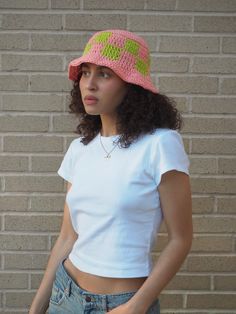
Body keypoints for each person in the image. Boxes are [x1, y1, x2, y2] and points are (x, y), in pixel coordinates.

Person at [29, 29, 192, 314]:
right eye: (85, 72)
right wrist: (37, 308)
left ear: (131, 85)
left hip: (122, 304)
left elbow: (181, 239)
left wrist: (136, 307)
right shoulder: (80, 148)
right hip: (64, 295)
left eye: (104, 74)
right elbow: (68, 236)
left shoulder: (160, 144)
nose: (89, 84)